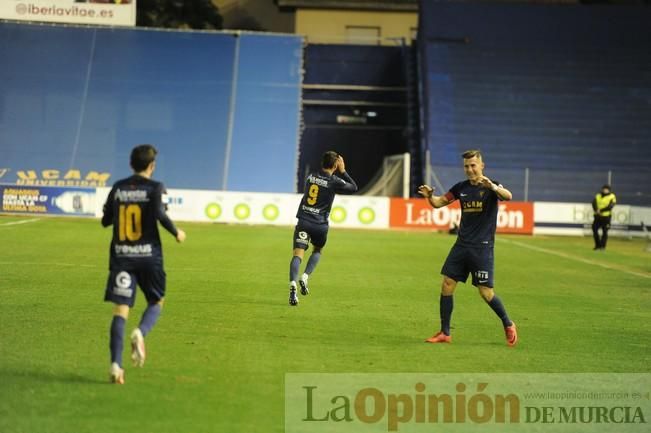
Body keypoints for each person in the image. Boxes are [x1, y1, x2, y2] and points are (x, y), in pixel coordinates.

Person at [101, 144, 186, 384]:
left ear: (131, 164)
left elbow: (106, 221)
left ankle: (116, 367)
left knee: (120, 312)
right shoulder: (156, 188)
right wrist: (176, 232)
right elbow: (160, 213)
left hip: (122, 257)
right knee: (157, 301)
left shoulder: (118, 188)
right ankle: (140, 332)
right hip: (149, 257)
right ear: (151, 166)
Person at [418, 149, 517, 346]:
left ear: (482, 166)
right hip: (461, 245)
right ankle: (445, 333)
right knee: (447, 284)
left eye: (473, 165)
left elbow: (508, 196)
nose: (470, 169)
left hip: (482, 248)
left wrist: (494, 188)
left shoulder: (491, 185)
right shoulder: (460, 188)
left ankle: (508, 324)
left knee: (485, 292)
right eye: (466, 166)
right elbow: (439, 203)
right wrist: (430, 196)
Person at [288, 151, 357, 306]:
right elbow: (353, 187)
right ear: (335, 165)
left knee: (297, 255)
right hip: (320, 225)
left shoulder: (310, 177)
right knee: (317, 250)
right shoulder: (334, 181)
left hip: (304, 221)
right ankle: (305, 276)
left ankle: (292, 284)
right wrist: (343, 171)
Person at [592, 184, 616, 251]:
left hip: (606, 217)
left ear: (609, 190)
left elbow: (610, 206)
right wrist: (596, 210)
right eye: (604, 189)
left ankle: (602, 247)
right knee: (594, 230)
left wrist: (601, 210)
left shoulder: (612, 196)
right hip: (597, 216)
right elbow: (593, 203)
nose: (605, 190)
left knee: (605, 232)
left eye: (606, 189)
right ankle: (597, 245)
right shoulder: (598, 195)